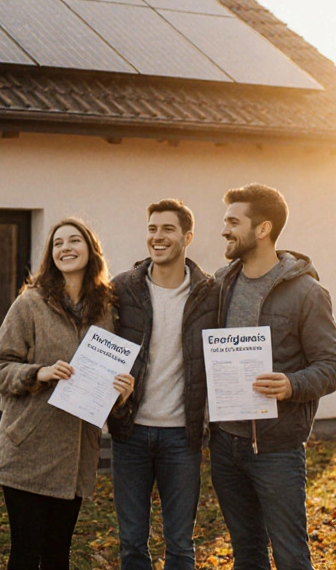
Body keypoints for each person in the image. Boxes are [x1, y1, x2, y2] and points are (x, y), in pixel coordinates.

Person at [0, 217, 135, 570]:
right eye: (58, 243)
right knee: (26, 555)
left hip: (76, 456)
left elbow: (104, 379)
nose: (66, 248)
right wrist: (38, 372)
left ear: (91, 250)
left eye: (74, 240)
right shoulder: (30, 304)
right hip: (28, 450)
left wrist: (122, 392)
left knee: (57, 556)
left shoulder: (106, 310)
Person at [210, 184, 336, 570]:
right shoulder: (221, 284)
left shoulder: (307, 293)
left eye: (233, 222)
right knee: (247, 555)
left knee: (290, 557)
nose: (224, 230)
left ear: (263, 229)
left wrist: (291, 385)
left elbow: (332, 366)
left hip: (277, 450)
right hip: (225, 446)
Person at [107, 199, 219, 570]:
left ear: (188, 237)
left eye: (168, 229)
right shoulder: (123, 288)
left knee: (180, 546)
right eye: (152, 229)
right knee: (131, 544)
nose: (158, 236)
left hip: (182, 438)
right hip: (130, 433)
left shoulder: (210, 293)